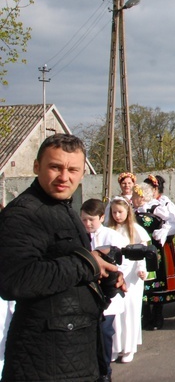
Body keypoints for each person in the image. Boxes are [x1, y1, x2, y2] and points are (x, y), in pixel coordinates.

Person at [0, 133, 125, 382]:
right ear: (37, 166)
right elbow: (16, 280)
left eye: (73, 169)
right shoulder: (24, 214)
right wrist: (87, 264)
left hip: (74, 350)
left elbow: (68, 272)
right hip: (45, 360)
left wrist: (103, 275)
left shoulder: (62, 209)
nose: (64, 177)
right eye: (55, 167)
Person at [81, 198, 131, 378]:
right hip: (86, 294)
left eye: (91, 220)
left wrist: (112, 276)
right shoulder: (80, 236)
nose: (87, 223)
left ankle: (105, 371)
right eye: (84, 219)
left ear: (101, 217)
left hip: (107, 293)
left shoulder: (112, 237)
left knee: (104, 332)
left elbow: (124, 263)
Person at [106, 197, 149, 365]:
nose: (117, 215)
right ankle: (116, 347)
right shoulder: (109, 230)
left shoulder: (135, 230)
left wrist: (141, 268)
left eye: (120, 212)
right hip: (116, 273)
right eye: (114, 212)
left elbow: (142, 253)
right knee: (116, 311)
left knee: (130, 310)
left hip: (132, 275)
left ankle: (129, 347)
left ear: (127, 212)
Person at [132, 181, 175, 330]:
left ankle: (158, 315)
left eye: (134, 195)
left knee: (157, 282)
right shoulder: (132, 211)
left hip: (154, 250)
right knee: (142, 283)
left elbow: (174, 223)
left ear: (141, 196)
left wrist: (164, 231)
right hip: (139, 251)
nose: (132, 198)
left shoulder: (155, 208)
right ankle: (146, 315)